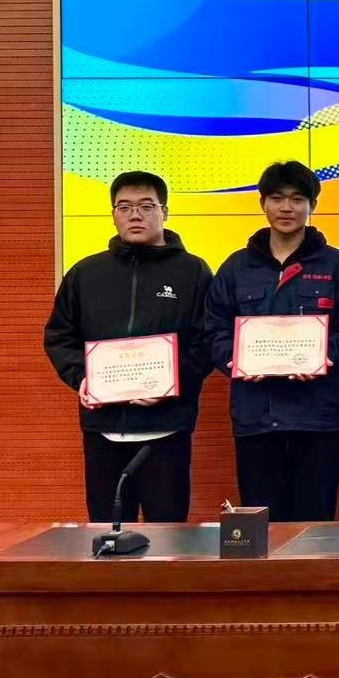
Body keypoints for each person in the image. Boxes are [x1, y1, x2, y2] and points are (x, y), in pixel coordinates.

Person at [44, 171, 213, 523]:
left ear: (164, 212)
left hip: (166, 430)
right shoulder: (86, 274)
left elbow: (207, 341)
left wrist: (172, 382)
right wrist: (82, 378)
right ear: (113, 214)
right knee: (107, 534)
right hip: (103, 429)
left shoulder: (193, 272)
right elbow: (60, 336)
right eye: (125, 207)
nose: (135, 215)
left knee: (168, 537)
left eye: (146, 206)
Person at [204, 161, 339, 521]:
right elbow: (215, 330)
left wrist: (322, 360)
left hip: (318, 419)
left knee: (315, 527)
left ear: (312, 205)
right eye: (277, 198)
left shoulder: (337, 266)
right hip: (256, 417)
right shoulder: (236, 267)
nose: (286, 208)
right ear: (263, 203)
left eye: (297, 199)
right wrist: (235, 361)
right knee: (264, 528)